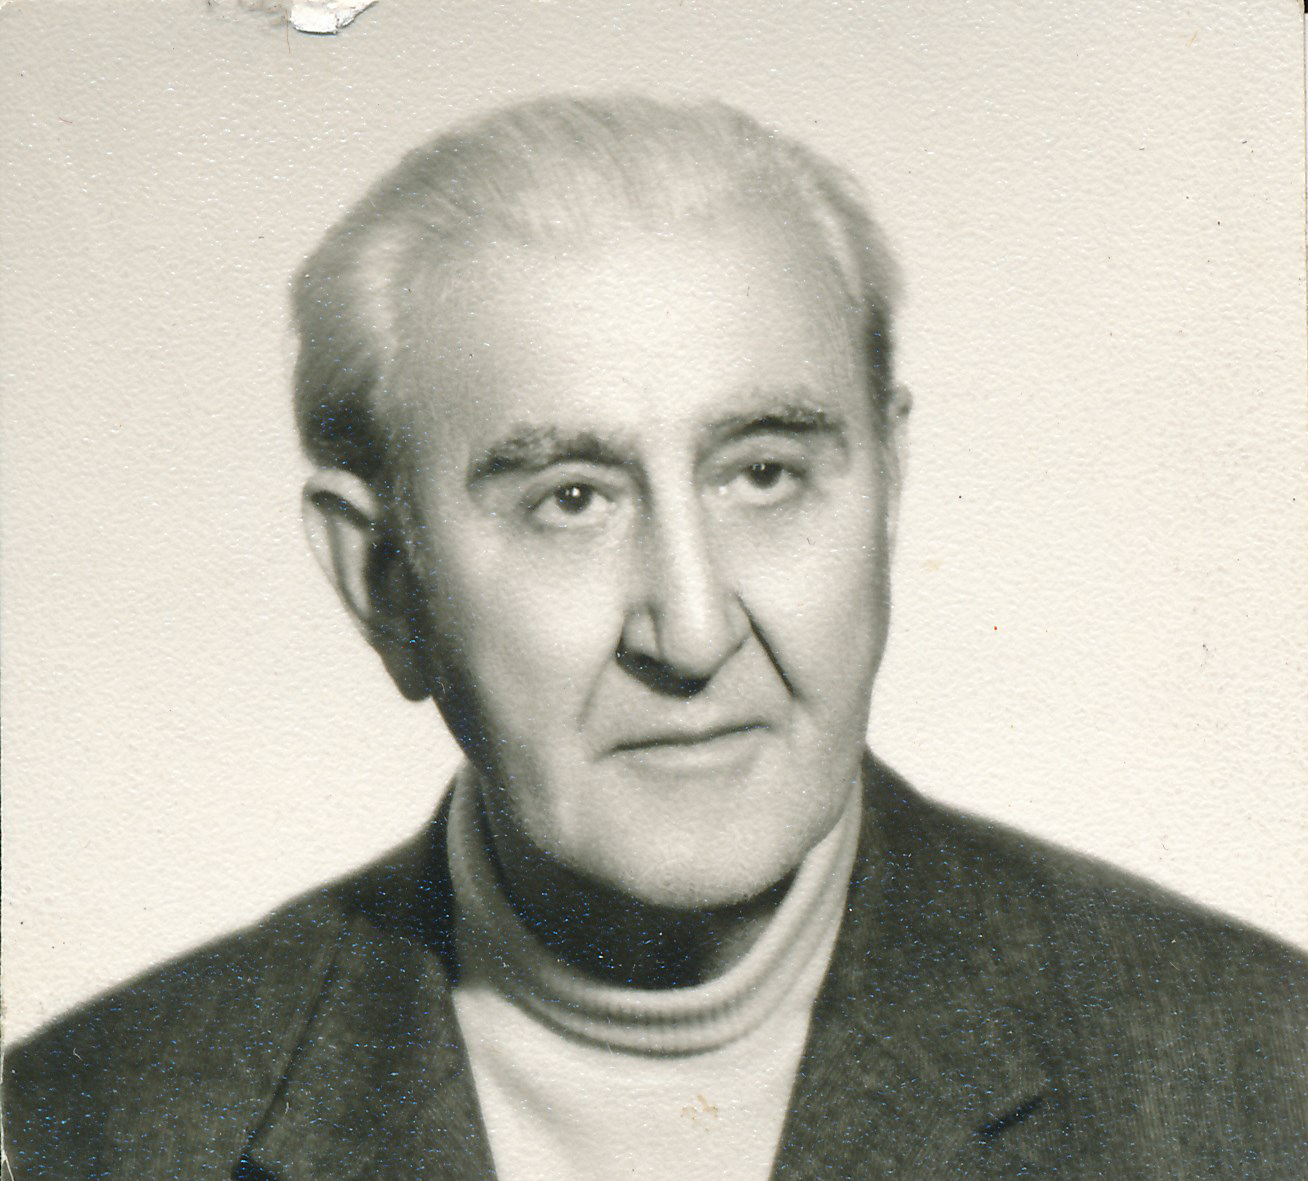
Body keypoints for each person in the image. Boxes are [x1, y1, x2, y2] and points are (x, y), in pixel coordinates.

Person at [5, 93, 1305, 1181]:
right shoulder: (85, 1129)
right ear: (383, 580)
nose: (691, 631)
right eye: (570, 500)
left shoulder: (1261, 1081)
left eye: (765, 474)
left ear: (891, 487)